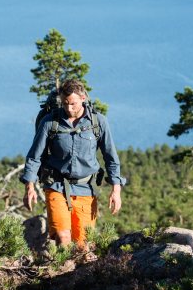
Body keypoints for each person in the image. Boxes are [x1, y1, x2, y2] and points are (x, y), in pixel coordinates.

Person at [21, 79, 124, 248]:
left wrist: (116, 190)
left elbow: (111, 157)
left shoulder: (98, 122)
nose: (69, 108)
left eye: (73, 103)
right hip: (56, 186)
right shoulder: (49, 122)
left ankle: (76, 274)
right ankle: (62, 271)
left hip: (86, 188)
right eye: (65, 103)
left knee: (83, 244)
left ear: (83, 98)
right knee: (63, 237)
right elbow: (34, 157)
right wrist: (29, 188)